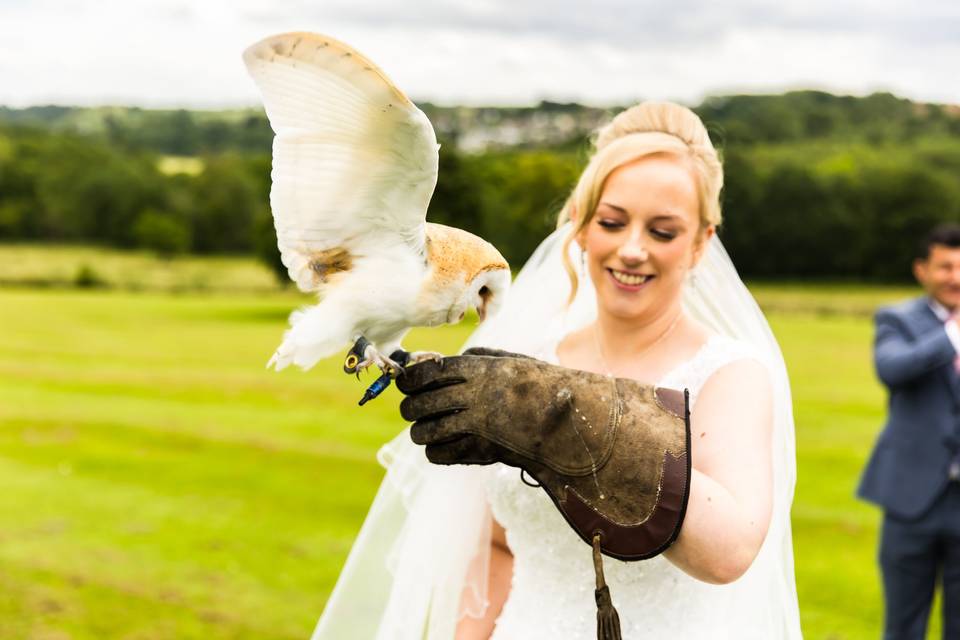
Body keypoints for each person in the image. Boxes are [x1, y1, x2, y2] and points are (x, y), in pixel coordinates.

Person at [312, 102, 802, 639]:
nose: (632, 249)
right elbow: (495, 548)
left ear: (702, 243)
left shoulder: (730, 375)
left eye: (662, 232)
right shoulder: (520, 362)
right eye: (612, 222)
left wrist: (564, 419)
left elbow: (729, 552)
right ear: (582, 224)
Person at [858, 224, 960, 640]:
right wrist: (951, 335)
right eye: (945, 266)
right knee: (903, 624)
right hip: (911, 499)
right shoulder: (897, 319)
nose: (956, 277)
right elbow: (892, 369)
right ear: (922, 269)